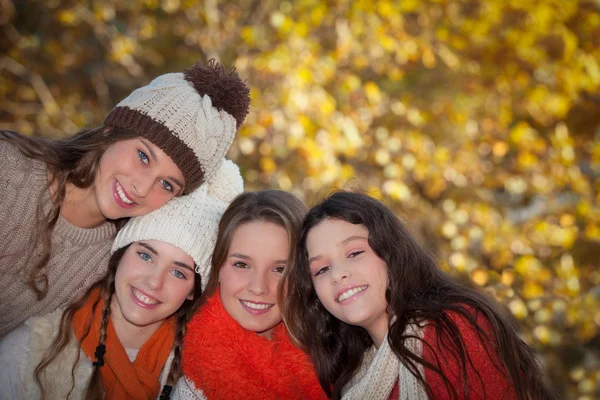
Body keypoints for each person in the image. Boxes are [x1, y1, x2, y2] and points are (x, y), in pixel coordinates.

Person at [0, 59, 250, 338]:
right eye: (143, 156)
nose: (142, 188)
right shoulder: (9, 171)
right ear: (111, 131)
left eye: (166, 184)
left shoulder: (119, 263)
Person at [0, 159, 243, 400]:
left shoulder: (199, 376)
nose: (154, 282)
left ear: (193, 290)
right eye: (146, 256)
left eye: (178, 272)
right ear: (120, 255)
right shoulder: (28, 354)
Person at [283, 191, 555, 400]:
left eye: (354, 253)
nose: (337, 275)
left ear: (390, 253)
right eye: (322, 269)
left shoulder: (451, 330)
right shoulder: (346, 375)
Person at [172, 190, 327, 400]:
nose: (258, 287)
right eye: (242, 264)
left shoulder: (339, 358)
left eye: (280, 269)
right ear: (217, 269)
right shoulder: (192, 388)